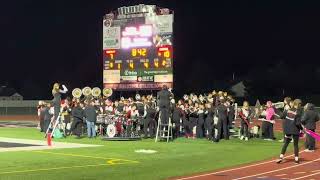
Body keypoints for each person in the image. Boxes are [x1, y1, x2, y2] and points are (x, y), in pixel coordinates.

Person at [276, 99, 303, 164]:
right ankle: (296, 160)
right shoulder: (298, 112)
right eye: (300, 105)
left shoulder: (287, 110)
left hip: (287, 130)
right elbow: (298, 123)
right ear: (299, 104)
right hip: (295, 130)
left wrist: (279, 110)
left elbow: (281, 116)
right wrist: (302, 129)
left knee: (286, 143)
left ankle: (281, 157)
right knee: (295, 145)